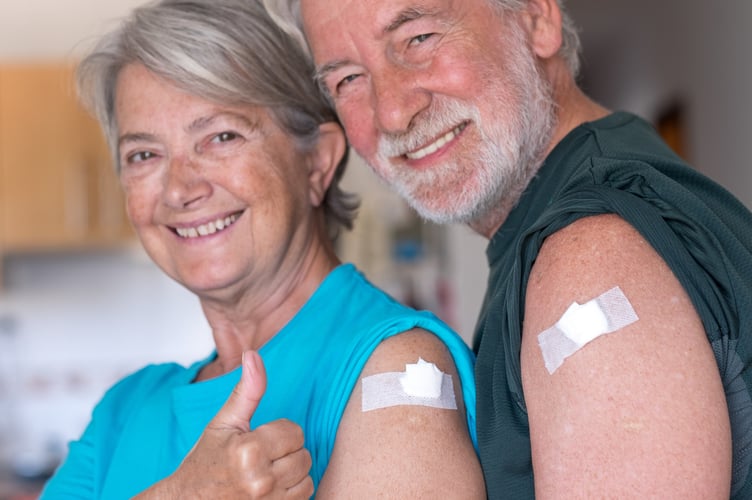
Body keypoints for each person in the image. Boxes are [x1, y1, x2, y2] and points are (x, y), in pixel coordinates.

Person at [263, 0, 752, 498]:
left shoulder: (589, 266)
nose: (392, 112)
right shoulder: (593, 203)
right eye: (347, 79)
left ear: (537, 19)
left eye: (419, 39)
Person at [40, 0, 486, 498]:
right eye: (144, 155)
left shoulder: (396, 367)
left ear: (317, 162)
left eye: (221, 136)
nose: (179, 189)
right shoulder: (124, 412)